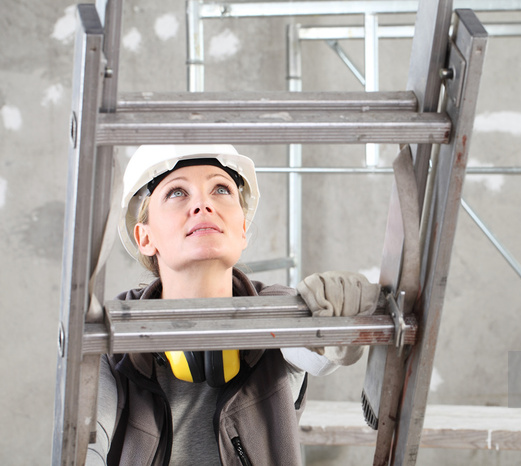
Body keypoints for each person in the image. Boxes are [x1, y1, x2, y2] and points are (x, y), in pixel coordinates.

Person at [86, 145, 380, 465]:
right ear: (145, 237)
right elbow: (87, 440)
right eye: (177, 192)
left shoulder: (278, 312)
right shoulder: (111, 334)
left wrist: (332, 328)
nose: (203, 204)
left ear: (242, 229)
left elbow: (307, 351)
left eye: (221, 189)